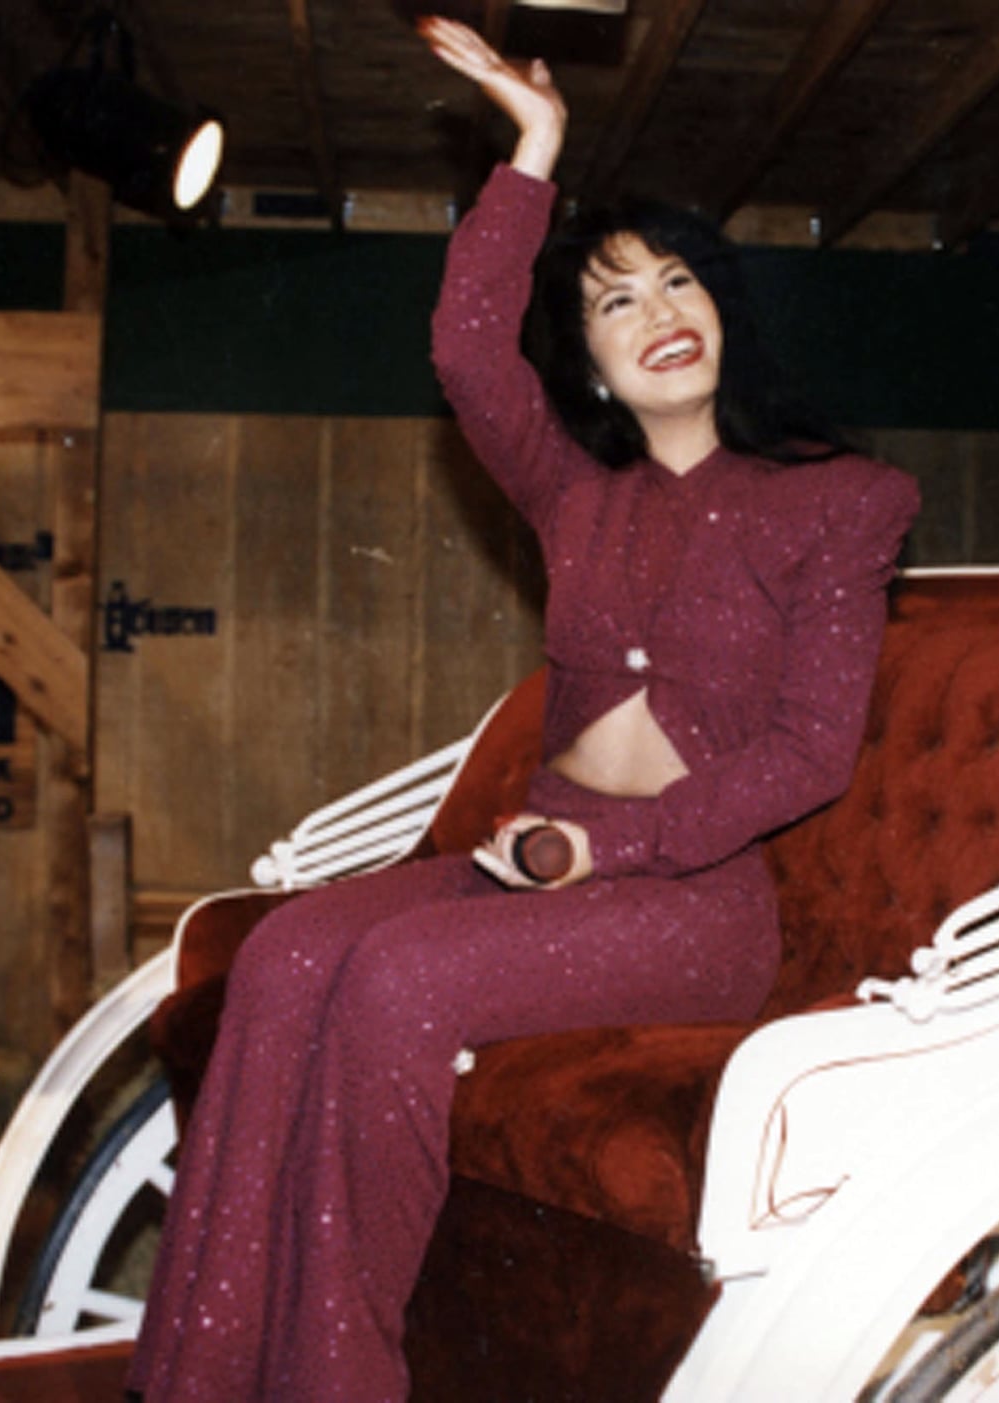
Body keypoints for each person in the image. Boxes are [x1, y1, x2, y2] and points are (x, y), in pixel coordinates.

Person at [128, 18, 918, 1400]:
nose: (659, 314)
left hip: (689, 903)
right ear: (594, 362)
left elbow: (810, 752)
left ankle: (338, 1381)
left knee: (395, 975)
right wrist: (534, 152)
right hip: (530, 861)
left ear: (723, 312)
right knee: (289, 953)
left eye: (680, 283)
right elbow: (465, 352)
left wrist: (601, 852)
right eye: (617, 302)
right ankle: (202, 1373)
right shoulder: (576, 494)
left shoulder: (843, 501)